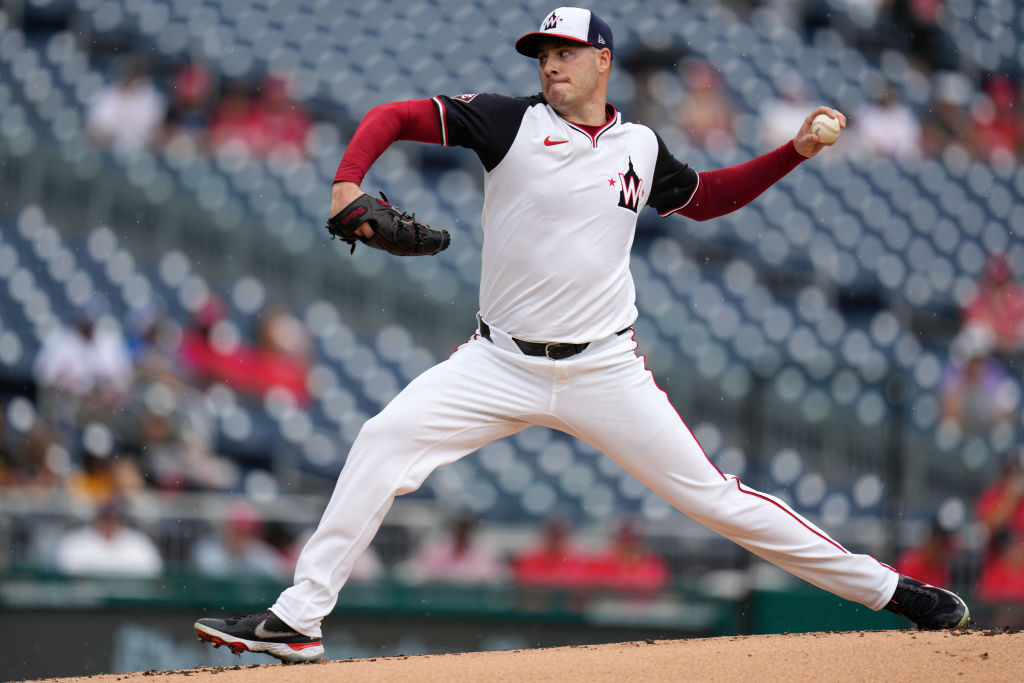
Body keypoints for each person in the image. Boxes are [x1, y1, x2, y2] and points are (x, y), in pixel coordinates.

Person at [194, 7, 969, 662]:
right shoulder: (508, 123)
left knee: (718, 500)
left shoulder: (640, 147)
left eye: (564, 53)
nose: (550, 66)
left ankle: (894, 591)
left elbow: (704, 199)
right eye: (542, 54)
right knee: (382, 437)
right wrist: (348, 179)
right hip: (497, 361)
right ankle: (299, 618)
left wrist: (791, 154)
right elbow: (393, 116)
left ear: (603, 60)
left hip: (606, 370)